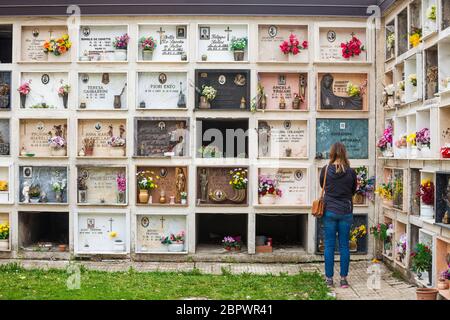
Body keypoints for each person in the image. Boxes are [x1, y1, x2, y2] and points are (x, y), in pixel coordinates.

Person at [319, 142, 357, 288]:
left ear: (332, 153)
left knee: (328, 245)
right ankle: (343, 279)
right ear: (345, 153)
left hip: (329, 211)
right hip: (345, 212)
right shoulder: (351, 172)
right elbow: (353, 190)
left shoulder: (326, 169)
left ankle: (329, 279)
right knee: (344, 247)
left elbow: (323, 187)